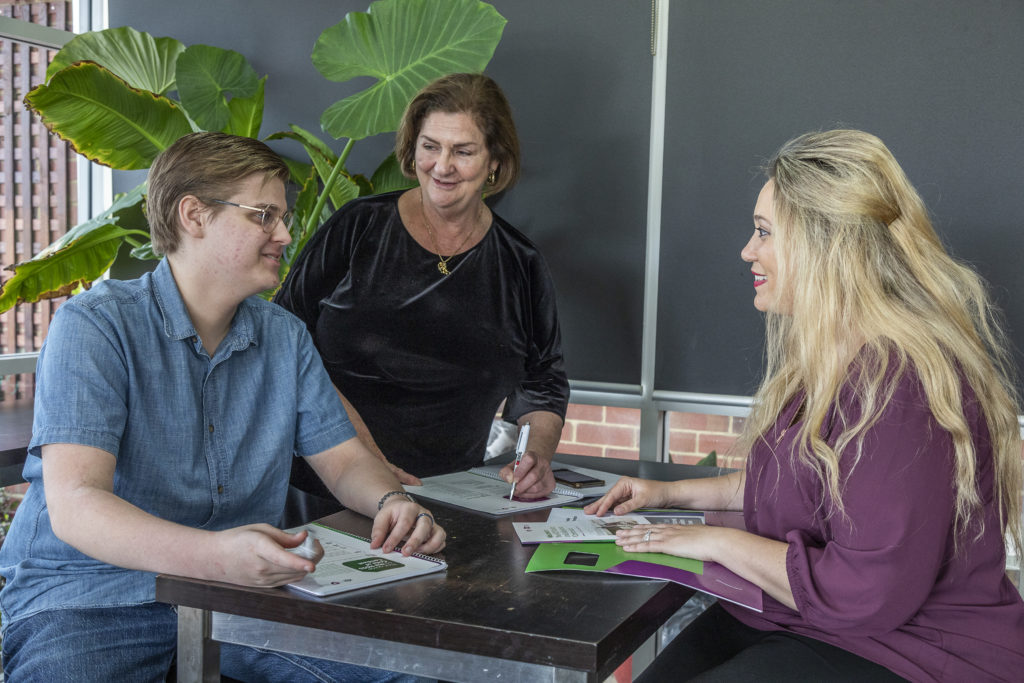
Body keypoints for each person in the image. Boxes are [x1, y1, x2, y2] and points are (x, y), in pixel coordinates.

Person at [0, 132, 445, 682]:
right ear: (194, 215)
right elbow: (77, 504)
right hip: (90, 593)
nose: (284, 234)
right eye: (264, 215)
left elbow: (346, 460)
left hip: (238, 595)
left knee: (412, 673)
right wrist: (215, 556)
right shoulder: (96, 327)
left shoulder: (284, 337)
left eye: (282, 217)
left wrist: (391, 502)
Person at [586, 130, 1024, 681]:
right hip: (802, 618)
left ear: (825, 245)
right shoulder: (826, 359)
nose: (748, 250)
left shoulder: (903, 388)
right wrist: (669, 494)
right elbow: (790, 486)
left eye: (764, 232)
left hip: (908, 651)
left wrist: (715, 540)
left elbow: (865, 593)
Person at [275, 73, 569, 517]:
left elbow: (543, 380)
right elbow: (283, 339)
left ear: (495, 161)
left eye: (463, 151)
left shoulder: (519, 261)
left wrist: (536, 457)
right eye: (430, 146)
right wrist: (365, 463)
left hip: (454, 497)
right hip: (323, 491)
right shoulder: (358, 227)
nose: (443, 165)